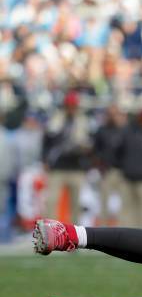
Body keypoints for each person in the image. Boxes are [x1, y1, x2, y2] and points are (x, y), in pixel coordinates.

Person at [42, 91, 92, 222]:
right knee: (52, 201)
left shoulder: (83, 122)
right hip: (57, 167)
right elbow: (47, 141)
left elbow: (90, 145)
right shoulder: (56, 120)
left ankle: (75, 235)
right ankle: (51, 233)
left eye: (73, 106)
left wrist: (85, 153)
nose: (71, 108)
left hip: (76, 167)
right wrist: (45, 160)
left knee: (76, 204)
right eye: (69, 105)